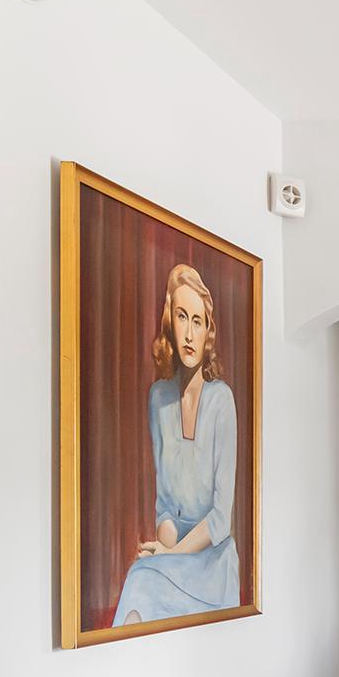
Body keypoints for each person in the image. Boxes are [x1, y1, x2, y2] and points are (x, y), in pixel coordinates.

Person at [113, 263, 240, 626]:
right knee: (140, 579)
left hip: (213, 566)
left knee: (144, 576)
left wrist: (170, 556)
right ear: (170, 322)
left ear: (207, 331)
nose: (188, 332)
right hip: (174, 552)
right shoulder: (158, 398)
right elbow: (165, 506)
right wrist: (165, 549)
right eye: (182, 317)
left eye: (197, 321)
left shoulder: (221, 400)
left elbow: (221, 519)